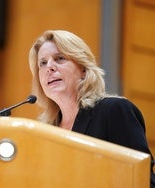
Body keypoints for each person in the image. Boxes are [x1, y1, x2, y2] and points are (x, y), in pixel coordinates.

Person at [28, 29, 155, 187]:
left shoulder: (114, 111)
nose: (50, 67)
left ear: (83, 69)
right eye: (43, 63)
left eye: (59, 58)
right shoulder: (45, 132)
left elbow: (142, 179)